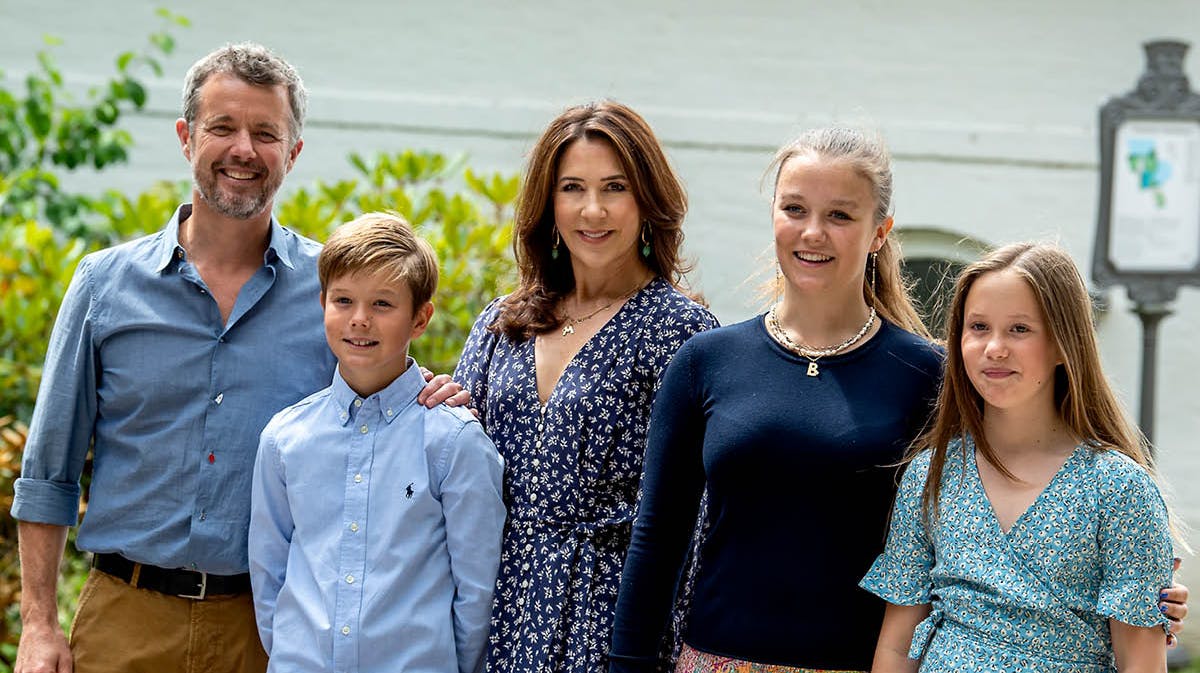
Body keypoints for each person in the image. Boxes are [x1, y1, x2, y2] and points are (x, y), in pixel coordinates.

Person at [608, 127, 1190, 673]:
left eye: (840, 214)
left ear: (880, 231)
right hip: (718, 662)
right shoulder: (706, 361)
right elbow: (658, 539)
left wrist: (1140, 591)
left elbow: (1024, 486)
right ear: (773, 217)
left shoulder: (932, 374)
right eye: (794, 209)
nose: (813, 232)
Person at [11, 43, 334, 673]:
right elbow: (49, 471)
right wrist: (38, 625)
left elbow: (378, 440)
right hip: (125, 622)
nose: (243, 149)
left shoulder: (333, 293)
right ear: (187, 138)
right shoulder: (104, 286)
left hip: (269, 629)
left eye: (265, 133)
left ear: (292, 154)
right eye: (222, 127)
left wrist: (432, 397)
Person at [450, 100, 717, 673]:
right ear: (548, 204)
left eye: (614, 187)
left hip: (612, 620)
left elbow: (695, 519)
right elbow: (452, 465)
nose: (592, 210)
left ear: (647, 200)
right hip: (493, 608)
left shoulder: (682, 335)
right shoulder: (503, 324)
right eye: (572, 187)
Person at [861, 242, 1185, 673]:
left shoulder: (1118, 488)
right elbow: (897, 649)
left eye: (1019, 329)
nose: (994, 347)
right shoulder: (931, 474)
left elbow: (1141, 663)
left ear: (1062, 344)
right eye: (978, 327)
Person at [249, 213, 506, 673]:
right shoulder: (285, 440)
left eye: (383, 304)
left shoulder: (454, 443)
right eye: (343, 300)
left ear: (420, 318)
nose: (360, 320)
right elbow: (269, 578)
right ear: (322, 303)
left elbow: (477, 593)